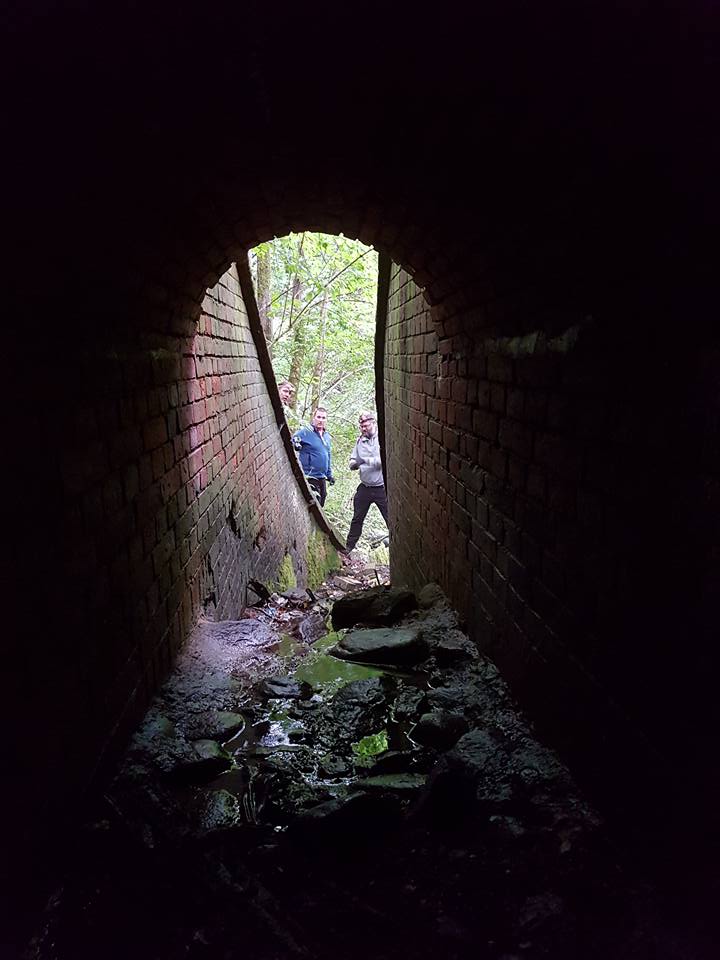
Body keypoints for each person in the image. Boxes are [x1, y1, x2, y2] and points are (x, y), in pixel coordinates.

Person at [345, 411, 389, 554]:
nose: (363, 429)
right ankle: (348, 548)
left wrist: (364, 461)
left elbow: (382, 462)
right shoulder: (360, 441)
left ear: (373, 423)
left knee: (390, 518)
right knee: (357, 519)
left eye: (366, 426)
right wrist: (354, 464)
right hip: (365, 487)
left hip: (381, 488)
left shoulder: (382, 439)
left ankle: (399, 546)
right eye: (362, 426)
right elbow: (352, 461)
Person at [292, 407, 335, 507]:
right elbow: (294, 438)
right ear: (314, 417)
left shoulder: (326, 436)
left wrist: (329, 475)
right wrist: (296, 443)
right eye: (318, 417)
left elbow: (328, 456)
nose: (321, 420)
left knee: (322, 501)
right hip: (310, 475)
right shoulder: (306, 432)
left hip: (322, 477)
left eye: (323, 418)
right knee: (315, 503)